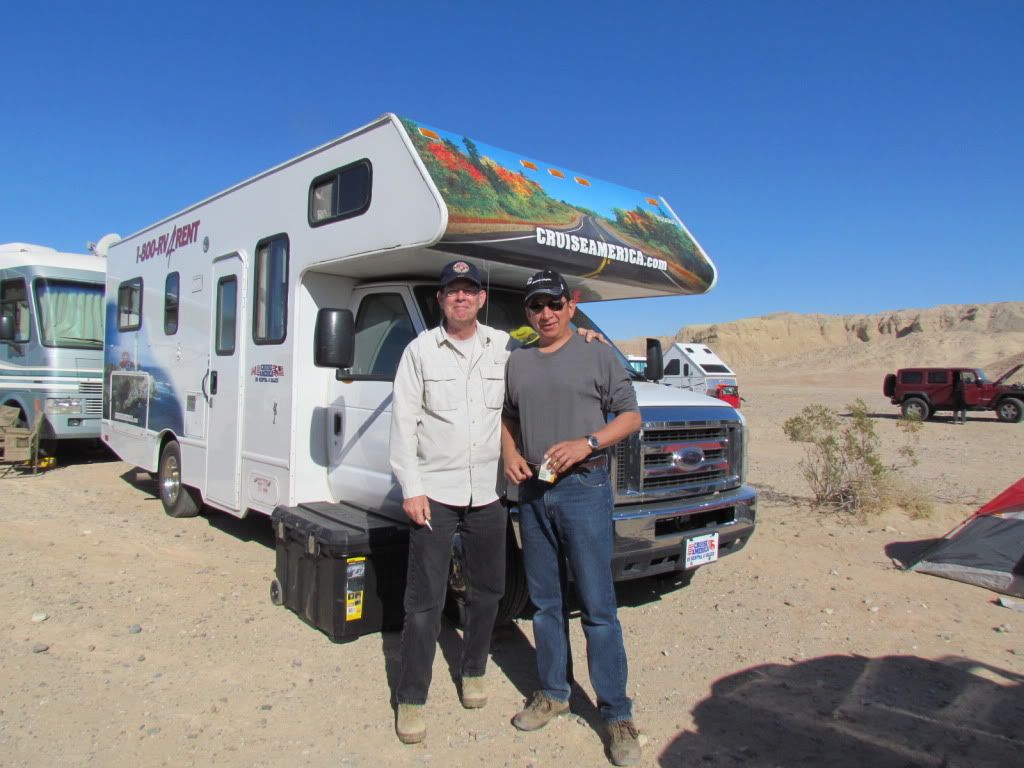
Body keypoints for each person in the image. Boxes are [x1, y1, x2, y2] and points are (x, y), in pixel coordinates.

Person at [501, 269, 644, 766]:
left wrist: (588, 443)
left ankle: (617, 714)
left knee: (598, 606)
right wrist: (509, 452)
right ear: (528, 311)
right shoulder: (517, 359)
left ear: (571, 305)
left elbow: (630, 416)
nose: (545, 313)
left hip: (584, 489)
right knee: (545, 603)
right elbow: (507, 415)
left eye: (554, 304)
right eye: (536, 306)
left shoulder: (597, 353)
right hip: (534, 492)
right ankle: (554, 693)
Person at [389, 259, 510, 744]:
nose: (461, 297)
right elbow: (403, 423)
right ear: (440, 300)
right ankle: (411, 697)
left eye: (469, 290)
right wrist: (411, 487)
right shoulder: (419, 351)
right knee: (425, 602)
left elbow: (548, 356)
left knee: (489, 591)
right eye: (452, 291)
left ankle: (474, 669)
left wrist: (582, 339)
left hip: (489, 492)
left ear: (482, 298)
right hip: (434, 493)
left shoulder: (504, 347)